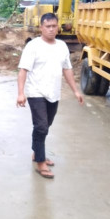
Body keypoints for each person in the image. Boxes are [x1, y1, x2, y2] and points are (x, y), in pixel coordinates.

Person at [16, 13, 84, 179]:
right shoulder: (33, 46)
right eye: (48, 26)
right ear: (41, 27)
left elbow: (67, 69)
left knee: (46, 125)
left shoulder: (61, 46)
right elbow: (23, 70)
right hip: (35, 92)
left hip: (53, 93)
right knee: (41, 127)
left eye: (54, 26)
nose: (51, 29)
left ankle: (36, 152)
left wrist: (75, 90)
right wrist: (20, 93)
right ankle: (41, 162)